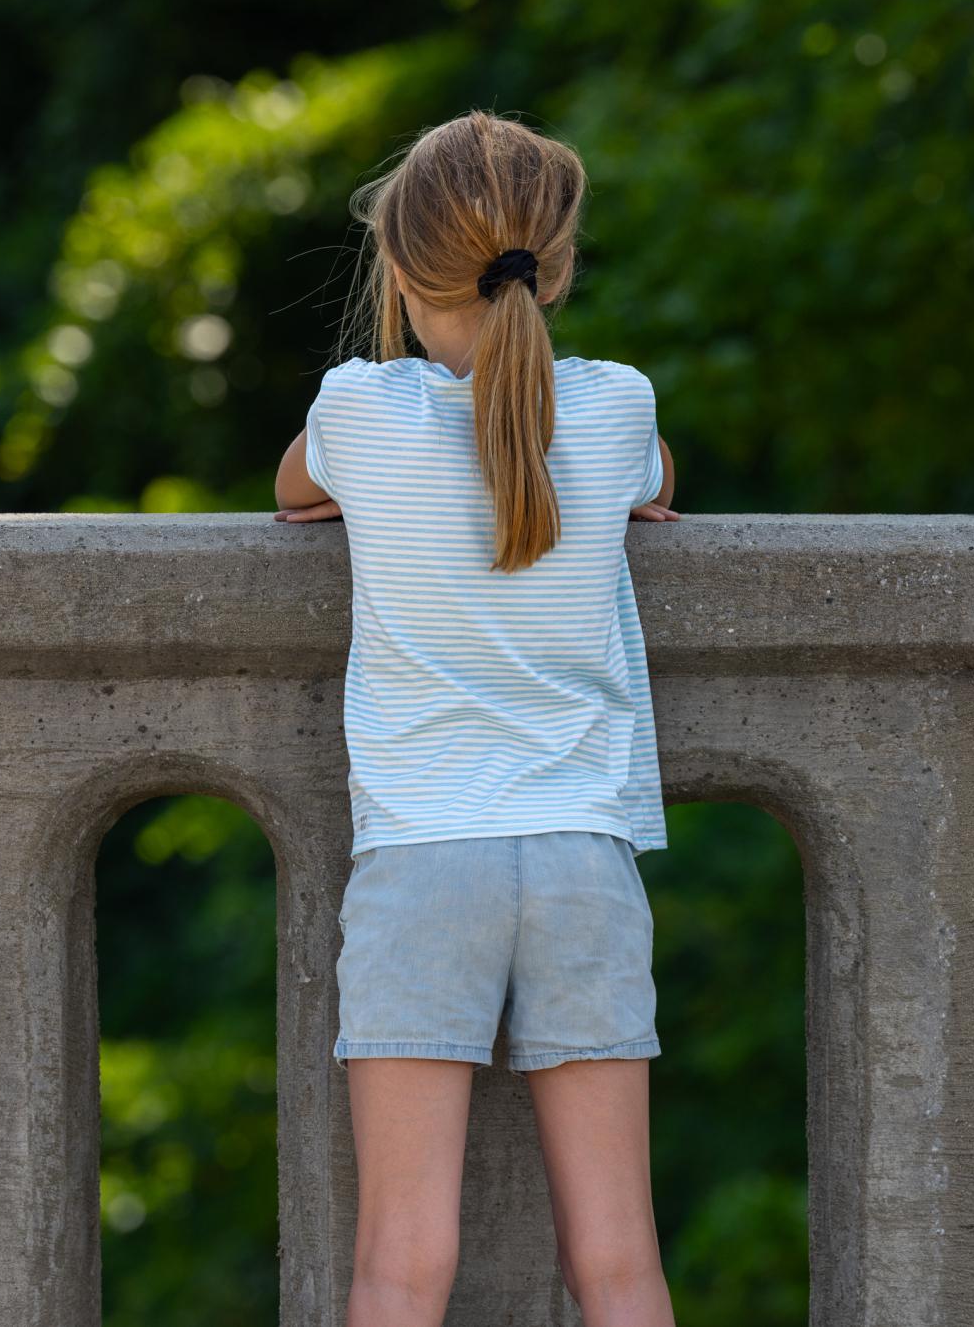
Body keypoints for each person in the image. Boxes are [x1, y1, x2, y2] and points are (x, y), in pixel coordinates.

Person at [272, 108, 681, 1327]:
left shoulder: (358, 411)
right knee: (618, 1260)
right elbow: (662, 483)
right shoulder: (613, 409)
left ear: (398, 268)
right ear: (551, 269)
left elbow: (293, 491)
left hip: (422, 867)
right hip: (583, 864)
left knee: (404, 1264)